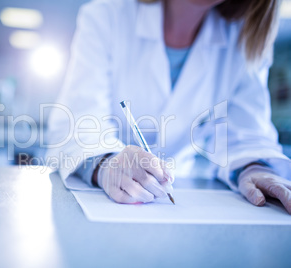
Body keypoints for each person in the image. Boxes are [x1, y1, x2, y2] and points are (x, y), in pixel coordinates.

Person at [46, 0, 291, 213]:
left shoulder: (246, 37)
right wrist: (107, 164)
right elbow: (78, 121)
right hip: (99, 199)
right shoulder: (106, 16)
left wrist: (255, 167)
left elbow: (246, 132)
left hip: (176, 189)